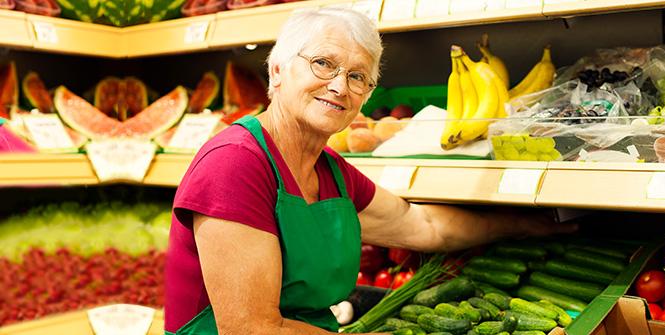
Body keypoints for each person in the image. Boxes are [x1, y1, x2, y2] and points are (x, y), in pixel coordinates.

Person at [164, 8, 575, 335]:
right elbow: (250, 329)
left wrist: (525, 225)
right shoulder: (235, 163)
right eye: (323, 64)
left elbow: (423, 224)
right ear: (277, 70)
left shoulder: (331, 171)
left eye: (357, 76)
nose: (340, 87)